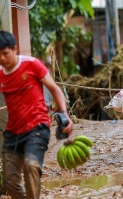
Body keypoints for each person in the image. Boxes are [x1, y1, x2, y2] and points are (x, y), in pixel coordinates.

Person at [0, 30, 73, 198]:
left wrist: (64, 114)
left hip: (37, 128)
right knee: (9, 182)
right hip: (12, 133)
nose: (2, 58)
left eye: (5, 53)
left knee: (31, 165)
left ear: (15, 49)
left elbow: (55, 89)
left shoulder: (32, 64)